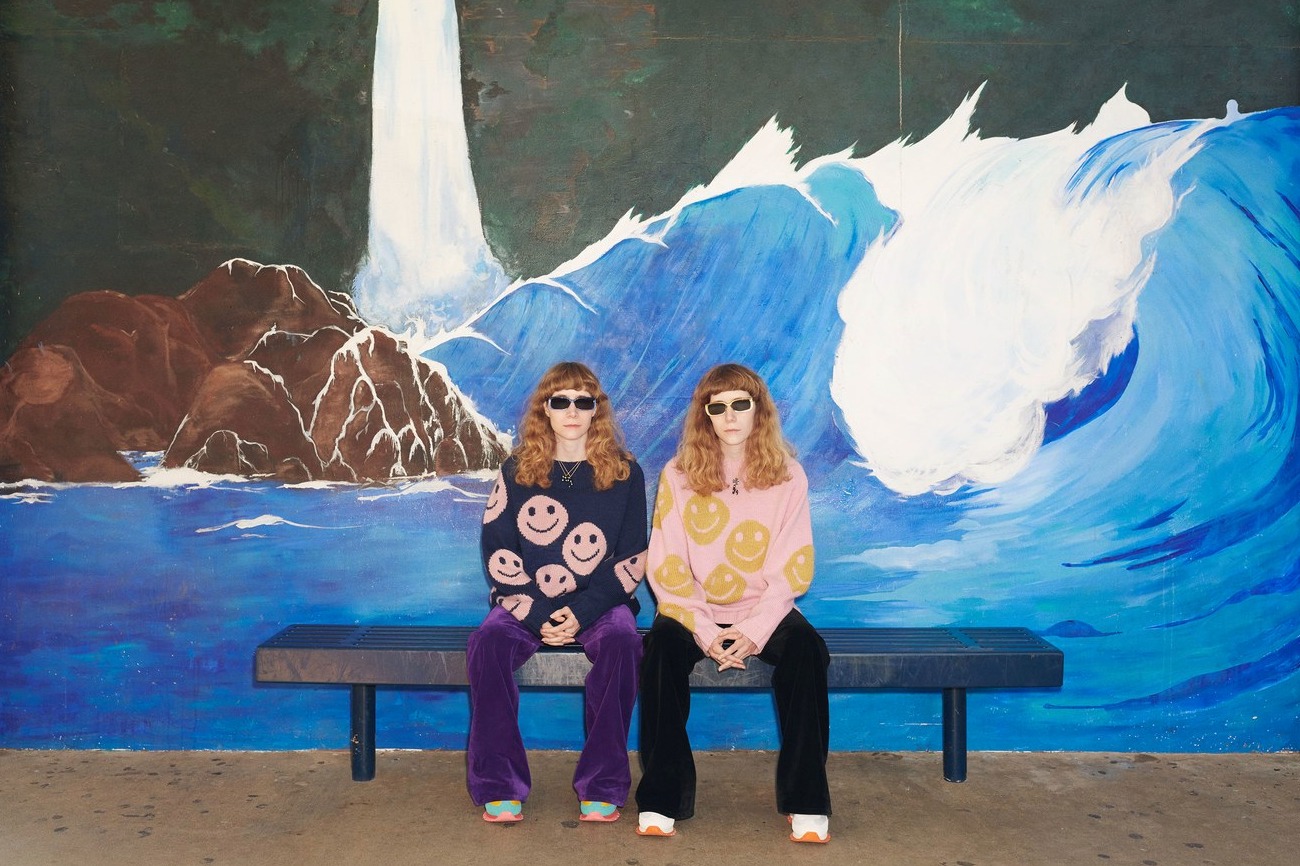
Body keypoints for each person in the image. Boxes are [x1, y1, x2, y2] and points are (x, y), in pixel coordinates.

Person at [636, 363, 831, 843]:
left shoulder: (789, 476)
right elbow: (667, 564)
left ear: (758, 409)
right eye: (717, 406)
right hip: (692, 609)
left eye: (739, 404)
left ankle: (806, 800)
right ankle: (662, 798)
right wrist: (704, 630)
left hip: (765, 609)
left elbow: (792, 566)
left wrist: (753, 630)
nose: (729, 416)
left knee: (807, 651)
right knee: (659, 651)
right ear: (704, 415)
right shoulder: (678, 474)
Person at [468, 361, 647, 824]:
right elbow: (498, 551)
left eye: (582, 402)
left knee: (624, 643)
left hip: (601, 603)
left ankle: (603, 784)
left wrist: (582, 612)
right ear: (544, 409)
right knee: (487, 642)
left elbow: (632, 558)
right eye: (560, 401)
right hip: (527, 602)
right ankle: (500, 783)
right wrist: (539, 613)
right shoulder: (515, 471)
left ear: (596, 410)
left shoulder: (626, 473)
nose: (571, 411)